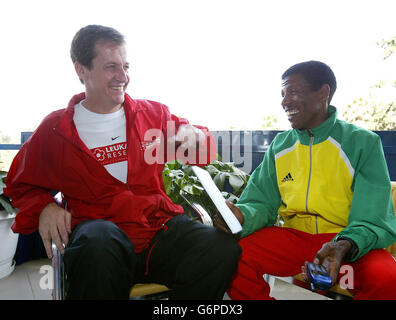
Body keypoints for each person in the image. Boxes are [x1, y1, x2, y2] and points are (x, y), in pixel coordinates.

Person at [5, 24, 241, 300]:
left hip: (156, 233)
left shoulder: (153, 114)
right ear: (81, 70)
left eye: (126, 66)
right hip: (100, 241)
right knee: (99, 242)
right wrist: (44, 206)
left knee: (221, 249)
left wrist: (196, 136)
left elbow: (201, 151)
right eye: (111, 67)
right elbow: (19, 184)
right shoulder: (56, 130)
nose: (123, 77)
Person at [225, 60, 396, 300]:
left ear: (323, 93)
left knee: (389, 279)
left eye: (293, 92)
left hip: (346, 245)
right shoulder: (280, 146)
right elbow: (260, 202)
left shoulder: (363, 143)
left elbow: (373, 217)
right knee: (229, 255)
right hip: (295, 241)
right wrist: (241, 216)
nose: (284, 102)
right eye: (283, 95)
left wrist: (344, 244)